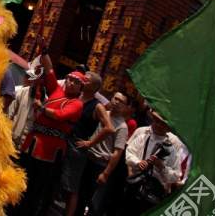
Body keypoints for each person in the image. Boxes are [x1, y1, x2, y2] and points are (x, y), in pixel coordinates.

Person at [9, 41, 85, 216]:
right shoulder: (57, 92)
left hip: (50, 149)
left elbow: (61, 116)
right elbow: (49, 71)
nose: (71, 83)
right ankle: (13, 208)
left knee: (36, 185)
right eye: (70, 79)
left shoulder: (76, 104)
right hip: (33, 141)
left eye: (76, 82)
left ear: (81, 88)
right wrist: (44, 51)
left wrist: (41, 108)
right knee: (21, 177)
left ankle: (25, 211)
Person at [60, 70, 114, 216]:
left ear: (96, 86)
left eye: (87, 80)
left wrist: (89, 143)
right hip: (64, 138)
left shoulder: (97, 106)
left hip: (77, 145)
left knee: (71, 188)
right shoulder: (76, 97)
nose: (83, 81)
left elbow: (109, 128)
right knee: (56, 179)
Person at [74, 91, 130, 216]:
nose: (117, 102)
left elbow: (117, 152)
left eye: (121, 101)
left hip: (101, 166)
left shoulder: (122, 127)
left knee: (93, 203)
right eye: (115, 98)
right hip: (87, 158)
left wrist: (106, 173)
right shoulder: (103, 114)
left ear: (125, 107)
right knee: (79, 196)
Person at [121, 113, 183, 214]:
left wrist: (161, 167)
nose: (159, 125)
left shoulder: (171, 150)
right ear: (152, 121)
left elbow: (176, 175)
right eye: (157, 121)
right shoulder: (142, 138)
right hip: (136, 183)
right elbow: (129, 153)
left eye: (163, 123)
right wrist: (138, 162)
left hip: (154, 191)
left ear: (168, 128)